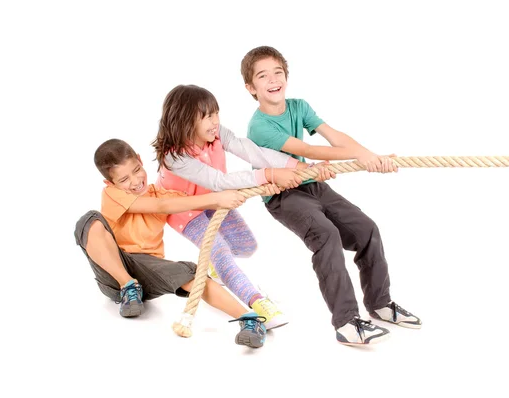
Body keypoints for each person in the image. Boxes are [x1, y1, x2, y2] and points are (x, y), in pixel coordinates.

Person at [240, 45, 422, 345]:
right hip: (283, 195)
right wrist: (324, 165)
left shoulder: (299, 106)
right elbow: (309, 151)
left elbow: (334, 136)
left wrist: (370, 156)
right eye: (263, 76)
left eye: (278, 72)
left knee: (366, 229)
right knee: (326, 234)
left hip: (312, 184)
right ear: (251, 87)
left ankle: (379, 303)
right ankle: (348, 323)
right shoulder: (259, 126)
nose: (273, 80)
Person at [152, 84, 334, 330]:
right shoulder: (174, 157)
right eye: (206, 116)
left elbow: (251, 151)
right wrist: (268, 175)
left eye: (215, 113)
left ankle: (217, 268)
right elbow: (219, 181)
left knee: (246, 245)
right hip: (185, 211)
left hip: (215, 200)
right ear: (184, 120)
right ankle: (258, 303)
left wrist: (299, 167)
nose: (214, 121)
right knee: (222, 253)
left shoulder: (216, 133)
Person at [74, 138, 267, 348]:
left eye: (137, 170)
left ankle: (250, 320)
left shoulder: (163, 195)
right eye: (124, 179)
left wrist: (241, 188)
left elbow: (182, 200)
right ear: (110, 184)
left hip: (149, 269)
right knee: (89, 221)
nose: (135, 181)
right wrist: (216, 200)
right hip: (113, 271)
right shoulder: (112, 195)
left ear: (140, 160)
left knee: (193, 274)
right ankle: (127, 285)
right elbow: (161, 205)